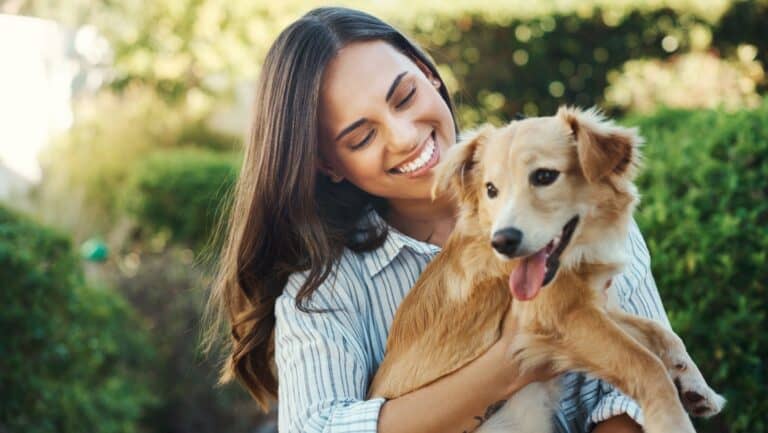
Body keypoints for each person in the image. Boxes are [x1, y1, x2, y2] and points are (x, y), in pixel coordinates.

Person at [205, 6, 673, 433]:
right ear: (327, 165)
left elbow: (629, 397)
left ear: (429, 75)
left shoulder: (572, 200)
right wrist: (510, 363)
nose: (405, 137)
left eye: (405, 97)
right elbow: (317, 428)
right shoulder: (324, 288)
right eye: (362, 137)